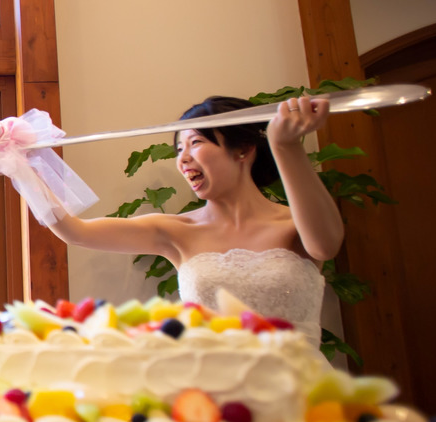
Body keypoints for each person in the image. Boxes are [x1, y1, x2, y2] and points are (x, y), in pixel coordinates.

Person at [39, 96, 343, 347]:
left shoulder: (296, 222)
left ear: (243, 149)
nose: (182, 159)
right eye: (179, 149)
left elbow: (325, 246)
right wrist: (23, 166)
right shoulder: (176, 231)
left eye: (195, 142)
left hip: (302, 389)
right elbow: (74, 231)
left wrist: (286, 146)